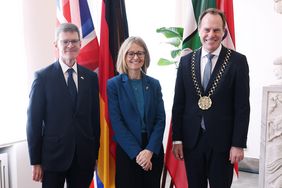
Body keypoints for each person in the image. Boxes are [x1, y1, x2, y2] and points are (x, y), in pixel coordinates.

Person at [172, 8, 250, 188]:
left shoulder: (237, 62)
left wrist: (238, 144)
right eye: (207, 29)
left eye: (216, 30)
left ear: (223, 32)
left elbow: (242, 107)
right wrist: (177, 139)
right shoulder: (186, 62)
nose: (211, 35)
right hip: (193, 141)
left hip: (223, 144)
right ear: (199, 30)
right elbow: (179, 104)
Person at [26, 23, 100, 188]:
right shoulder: (42, 78)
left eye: (74, 41)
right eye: (65, 41)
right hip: (53, 158)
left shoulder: (90, 78)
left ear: (80, 44)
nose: (70, 45)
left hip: (83, 157)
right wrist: (35, 161)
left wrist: (95, 154)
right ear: (56, 45)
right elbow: (34, 123)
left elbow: (94, 118)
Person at [107, 36, 165, 188]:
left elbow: (160, 119)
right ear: (124, 56)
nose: (136, 57)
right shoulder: (114, 85)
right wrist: (139, 154)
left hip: (152, 150)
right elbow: (117, 123)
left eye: (140, 53)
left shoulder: (154, 84)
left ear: (145, 56)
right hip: (128, 151)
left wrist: (149, 151)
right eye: (130, 53)